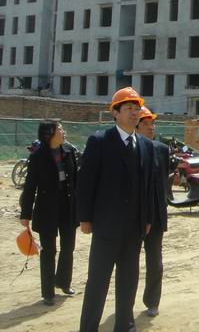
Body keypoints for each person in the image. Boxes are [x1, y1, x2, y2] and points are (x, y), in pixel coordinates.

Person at [77, 87, 155, 332]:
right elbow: (86, 182)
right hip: (106, 226)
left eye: (137, 109)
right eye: (129, 108)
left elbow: (147, 186)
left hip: (134, 227)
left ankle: (125, 325)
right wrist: (85, 218)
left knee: (129, 280)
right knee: (98, 281)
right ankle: (88, 327)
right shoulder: (100, 141)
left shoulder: (145, 145)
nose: (134, 113)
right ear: (115, 112)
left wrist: (147, 218)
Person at [19, 121, 79, 306]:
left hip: (67, 207)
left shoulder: (68, 151)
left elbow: (76, 180)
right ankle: (48, 292)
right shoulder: (38, 157)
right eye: (59, 129)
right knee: (48, 251)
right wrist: (25, 214)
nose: (63, 131)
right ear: (48, 134)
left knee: (68, 247)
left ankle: (63, 282)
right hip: (47, 209)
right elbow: (30, 186)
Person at [135, 106, 169, 318]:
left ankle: (152, 301)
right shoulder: (129, 149)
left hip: (155, 215)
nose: (150, 127)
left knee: (155, 260)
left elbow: (163, 182)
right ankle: (126, 300)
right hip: (133, 216)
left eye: (152, 123)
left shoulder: (162, 150)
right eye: (145, 124)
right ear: (136, 126)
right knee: (129, 260)